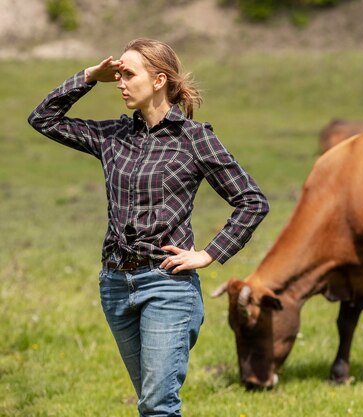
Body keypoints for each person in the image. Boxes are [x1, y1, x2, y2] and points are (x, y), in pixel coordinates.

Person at [28, 38, 269, 416]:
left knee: (158, 405)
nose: (120, 82)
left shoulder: (194, 139)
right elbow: (43, 119)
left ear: (159, 80)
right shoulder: (112, 136)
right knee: (152, 404)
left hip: (167, 286)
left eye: (128, 74)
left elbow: (251, 201)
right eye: (118, 73)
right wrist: (90, 76)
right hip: (115, 286)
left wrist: (209, 253)